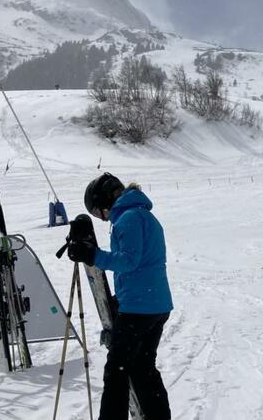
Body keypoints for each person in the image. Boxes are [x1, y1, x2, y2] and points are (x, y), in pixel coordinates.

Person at [67, 173, 173, 420]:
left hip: (139, 308)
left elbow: (129, 260)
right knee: (142, 369)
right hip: (154, 304)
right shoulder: (143, 215)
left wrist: (93, 256)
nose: (101, 219)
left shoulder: (128, 218)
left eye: (97, 212)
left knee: (117, 370)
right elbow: (144, 264)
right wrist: (120, 297)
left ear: (104, 201)